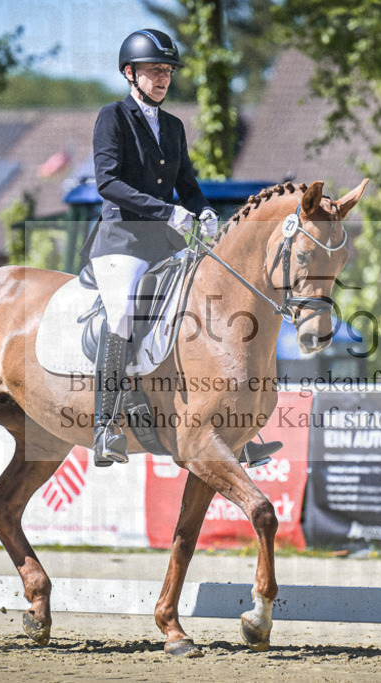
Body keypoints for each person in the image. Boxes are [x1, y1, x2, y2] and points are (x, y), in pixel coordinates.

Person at [87, 28, 281, 468]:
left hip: (166, 244)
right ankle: (105, 425)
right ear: (130, 73)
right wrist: (166, 212)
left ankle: (241, 429)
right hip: (122, 243)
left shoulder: (172, 127)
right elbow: (108, 182)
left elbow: (187, 187)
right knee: (121, 314)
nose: (162, 78)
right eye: (154, 71)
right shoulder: (112, 118)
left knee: (215, 306)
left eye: (167, 71)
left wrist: (202, 211)